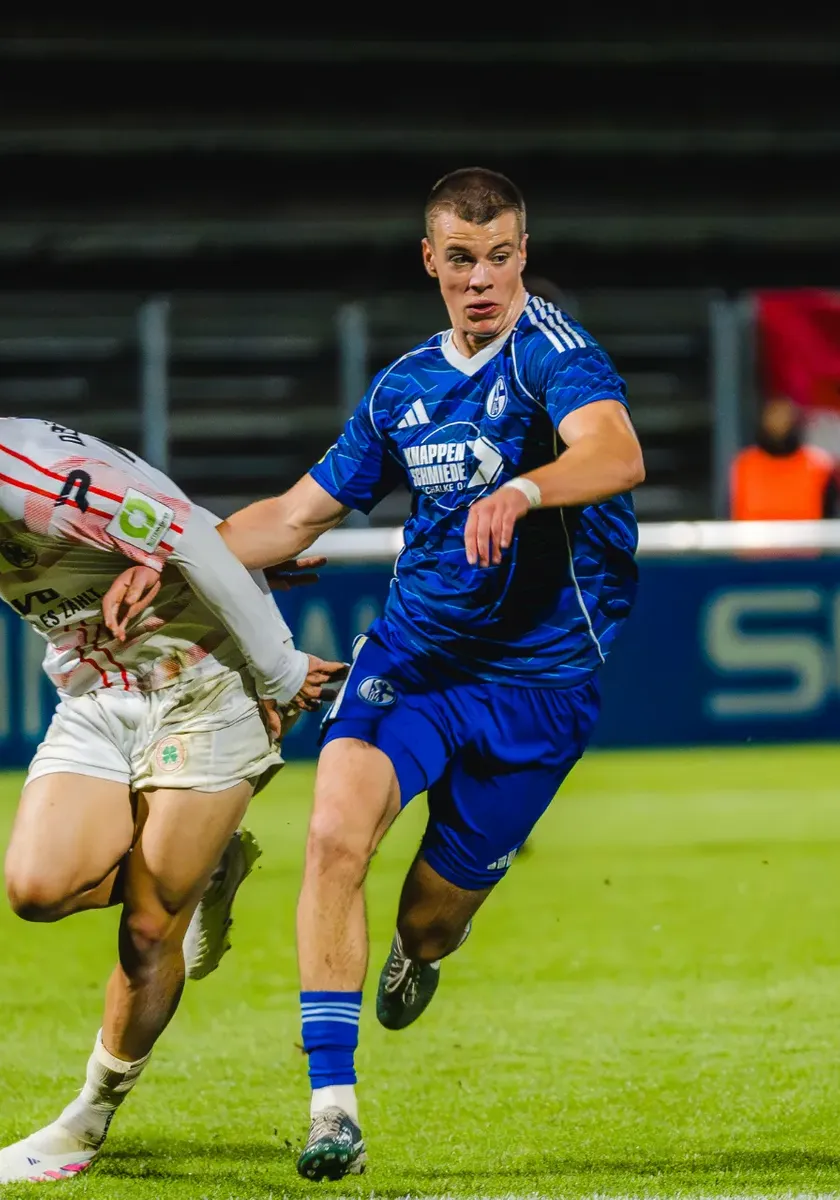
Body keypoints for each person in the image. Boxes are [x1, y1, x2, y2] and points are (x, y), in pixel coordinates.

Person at [105, 166, 645, 1181]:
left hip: (538, 688)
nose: (480, 279)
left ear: (523, 257)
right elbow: (294, 515)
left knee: (431, 920)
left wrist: (524, 490)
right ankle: (333, 1109)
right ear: (430, 260)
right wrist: (173, 560)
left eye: (499, 258)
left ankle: (418, 954)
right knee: (332, 837)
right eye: (461, 259)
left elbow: (615, 455)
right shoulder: (403, 388)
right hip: (415, 659)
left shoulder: (555, 353)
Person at [0, 417, 344, 1184]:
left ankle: (84, 1124)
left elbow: (184, 534)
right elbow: (162, 520)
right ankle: (203, 864)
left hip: (206, 683)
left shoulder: (29, 475)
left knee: (149, 929)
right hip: (97, 689)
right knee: (36, 891)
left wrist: (281, 670)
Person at [730, 395, 837, 519]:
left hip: (806, 532)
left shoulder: (820, 465)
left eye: (784, 417)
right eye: (774, 416)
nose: (779, 423)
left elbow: (831, 517)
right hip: (754, 532)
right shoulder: (744, 465)